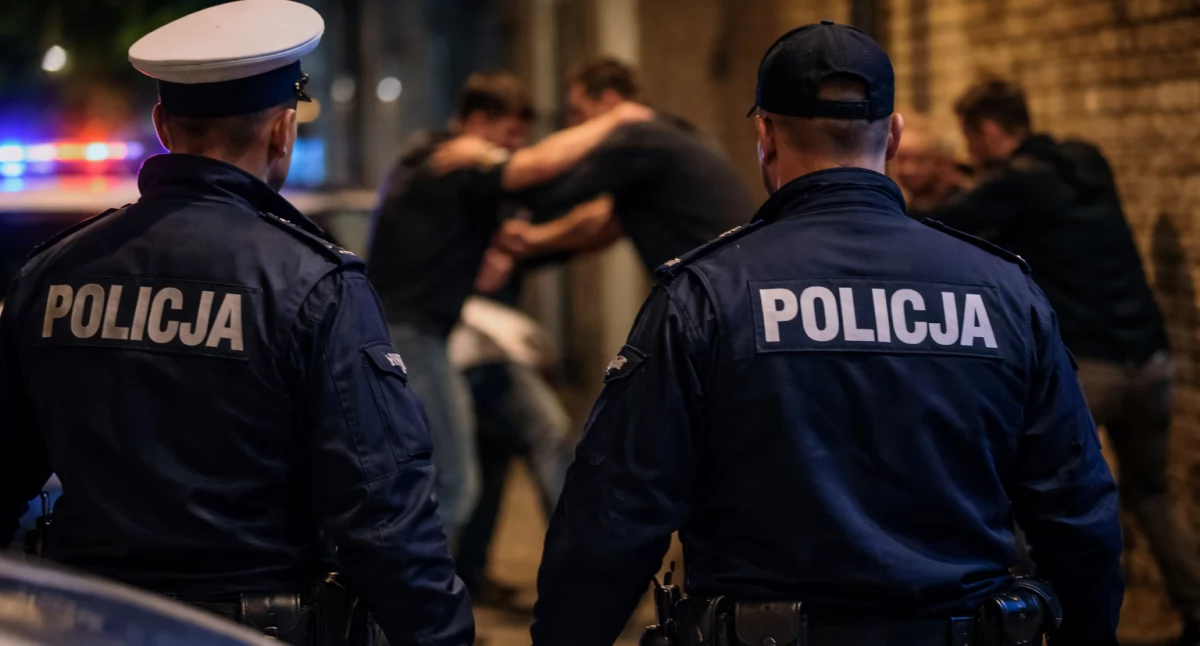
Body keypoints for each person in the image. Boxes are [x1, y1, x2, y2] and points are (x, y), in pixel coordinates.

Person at [532, 22, 1123, 646]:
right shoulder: (1003, 292)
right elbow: (1076, 509)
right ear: (893, 136)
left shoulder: (707, 295)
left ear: (764, 136)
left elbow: (614, 514)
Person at [0, 2, 473, 644]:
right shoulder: (314, 284)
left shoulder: (50, 273)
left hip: (81, 626)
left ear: (163, 126)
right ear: (282, 130)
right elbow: (385, 515)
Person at [915, 78, 1200, 645]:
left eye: (970, 139)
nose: (970, 152)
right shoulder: (1086, 160)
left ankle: (1027, 619)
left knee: (1034, 493)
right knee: (1151, 493)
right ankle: (1196, 609)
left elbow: (941, 224)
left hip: (1093, 366)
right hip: (1152, 360)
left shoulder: (1013, 185)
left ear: (987, 131)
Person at [366, 72, 652, 545]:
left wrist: (504, 249)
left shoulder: (457, 173)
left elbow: (528, 213)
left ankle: (501, 570)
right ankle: (417, 589)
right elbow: (536, 172)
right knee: (453, 486)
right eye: (509, 136)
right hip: (410, 335)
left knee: (524, 431)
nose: (515, 148)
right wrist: (619, 120)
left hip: (435, 336)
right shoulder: (445, 159)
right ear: (477, 123)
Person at [442, 58, 755, 273]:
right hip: (730, 281)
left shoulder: (637, 137)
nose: (574, 127)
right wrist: (536, 240)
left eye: (578, 113)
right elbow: (604, 223)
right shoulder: (663, 135)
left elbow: (544, 192)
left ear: (609, 102)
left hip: (716, 288)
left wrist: (486, 156)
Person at [890, 112, 970, 212]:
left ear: (941, 162)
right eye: (901, 159)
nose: (908, 170)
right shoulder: (909, 206)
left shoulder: (965, 206)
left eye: (920, 160)